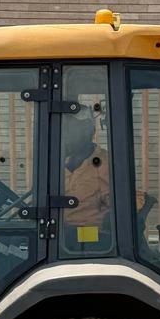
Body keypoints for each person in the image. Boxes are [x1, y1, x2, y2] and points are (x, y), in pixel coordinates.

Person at [62, 103, 112, 252]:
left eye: (73, 131)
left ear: (91, 131)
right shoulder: (56, 163)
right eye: (65, 131)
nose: (67, 137)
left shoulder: (104, 163)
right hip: (60, 232)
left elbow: (126, 201)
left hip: (92, 235)